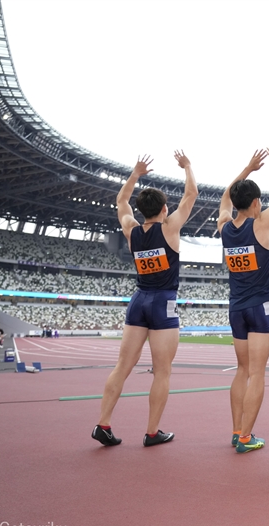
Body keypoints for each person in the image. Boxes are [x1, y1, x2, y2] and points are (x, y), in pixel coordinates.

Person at [92, 151, 198, 447]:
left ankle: (103, 424)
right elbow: (191, 195)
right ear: (165, 209)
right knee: (162, 371)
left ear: (142, 211)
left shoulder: (132, 230)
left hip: (138, 300)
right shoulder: (170, 228)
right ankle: (152, 432)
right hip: (164, 302)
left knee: (122, 366)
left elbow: (121, 202)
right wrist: (187, 166)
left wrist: (135, 174)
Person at [217, 148, 269, 453]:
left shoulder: (224, 228)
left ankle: (236, 432)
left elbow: (223, 198)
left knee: (242, 370)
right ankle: (246, 438)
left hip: (236, 307)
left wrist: (247, 169)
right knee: (257, 373)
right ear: (256, 203)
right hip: (261, 306)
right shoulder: (260, 225)